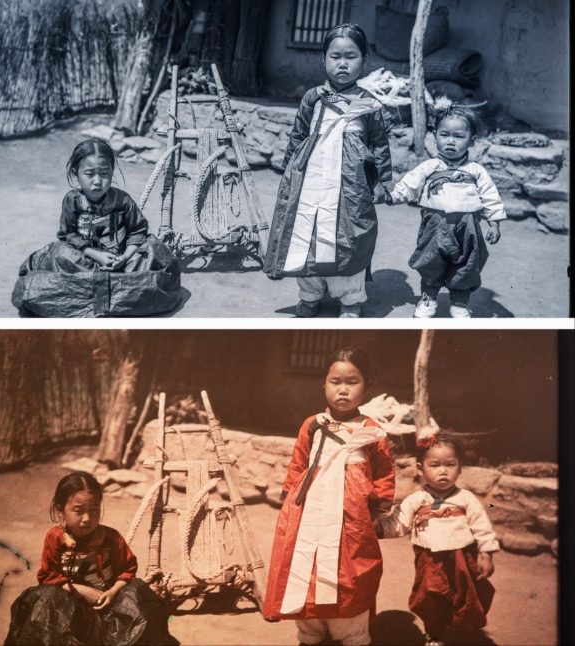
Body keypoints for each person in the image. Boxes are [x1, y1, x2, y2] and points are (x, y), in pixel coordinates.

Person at [264, 348, 395, 645]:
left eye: (353, 381)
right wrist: (288, 508)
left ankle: (351, 632)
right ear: (323, 384)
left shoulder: (371, 430)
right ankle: (312, 631)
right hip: (310, 511)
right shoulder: (313, 425)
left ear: (368, 385)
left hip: (353, 518)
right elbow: (298, 465)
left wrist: (378, 513)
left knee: (350, 569)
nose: (343, 389)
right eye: (335, 381)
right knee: (306, 565)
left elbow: (384, 473)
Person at [263, 24, 392, 318]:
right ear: (323, 60)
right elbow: (298, 136)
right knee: (305, 235)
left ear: (364, 60)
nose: (342, 63)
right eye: (335, 56)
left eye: (351, 56)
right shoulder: (313, 97)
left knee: (350, 239)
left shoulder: (369, 105)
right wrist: (289, 173)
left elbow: (379, 145)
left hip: (351, 187)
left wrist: (382, 181)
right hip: (310, 181)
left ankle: (350, 299)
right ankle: (309, 294)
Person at [11, 138, 181, 317]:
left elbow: (138, 231)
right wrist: (95, 255)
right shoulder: (72, 201)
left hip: (122, 263)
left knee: (154, 249)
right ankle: (119, 290)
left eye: (104, 174)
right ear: (76, 174)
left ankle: (93, 289)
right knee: (59, 253)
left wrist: (124, 257)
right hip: (84, 261)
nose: (98, 181)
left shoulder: (123, 200)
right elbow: (68, 234)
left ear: (112, 172)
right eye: (90, 174)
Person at [4, 471, 178, 645]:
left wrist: (112, 592)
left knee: (140, 598)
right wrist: (82, 591)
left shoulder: (111, 537)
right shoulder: (55, 538)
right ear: (60, 510)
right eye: (78, 511)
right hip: (69, 606)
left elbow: (127, 570)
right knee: (43, 600)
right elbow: (49, 575)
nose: (87, 519)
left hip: (110, 603)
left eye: (94, 510)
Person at [386, 100, 506, 318]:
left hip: (467, 228)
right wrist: (392, 196)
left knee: (466, 265)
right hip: (434, 226)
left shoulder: (476, 171)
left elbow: (490, 196)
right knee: (431, 261)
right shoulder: (429, 167)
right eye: (445, 135)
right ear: (435, 137)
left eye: (459, 136)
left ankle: (459, 303)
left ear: (472, 141)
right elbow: (409, 184)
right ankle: (428, 299)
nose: (451, 142)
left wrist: (494, 223)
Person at [375, 433, 499, 646]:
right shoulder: (416, 500)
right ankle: (434, 634)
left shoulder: (465, 498)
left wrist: (486, 554)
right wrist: (377, 526)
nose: (443, 471)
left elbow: (482, 526)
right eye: (435, 465)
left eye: (450, 464)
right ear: (421, 469)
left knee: (467, 598)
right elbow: (399, 524)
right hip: (429, 560)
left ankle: (465, 634)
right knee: (429, 599)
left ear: (460, 468)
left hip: (463, 558)